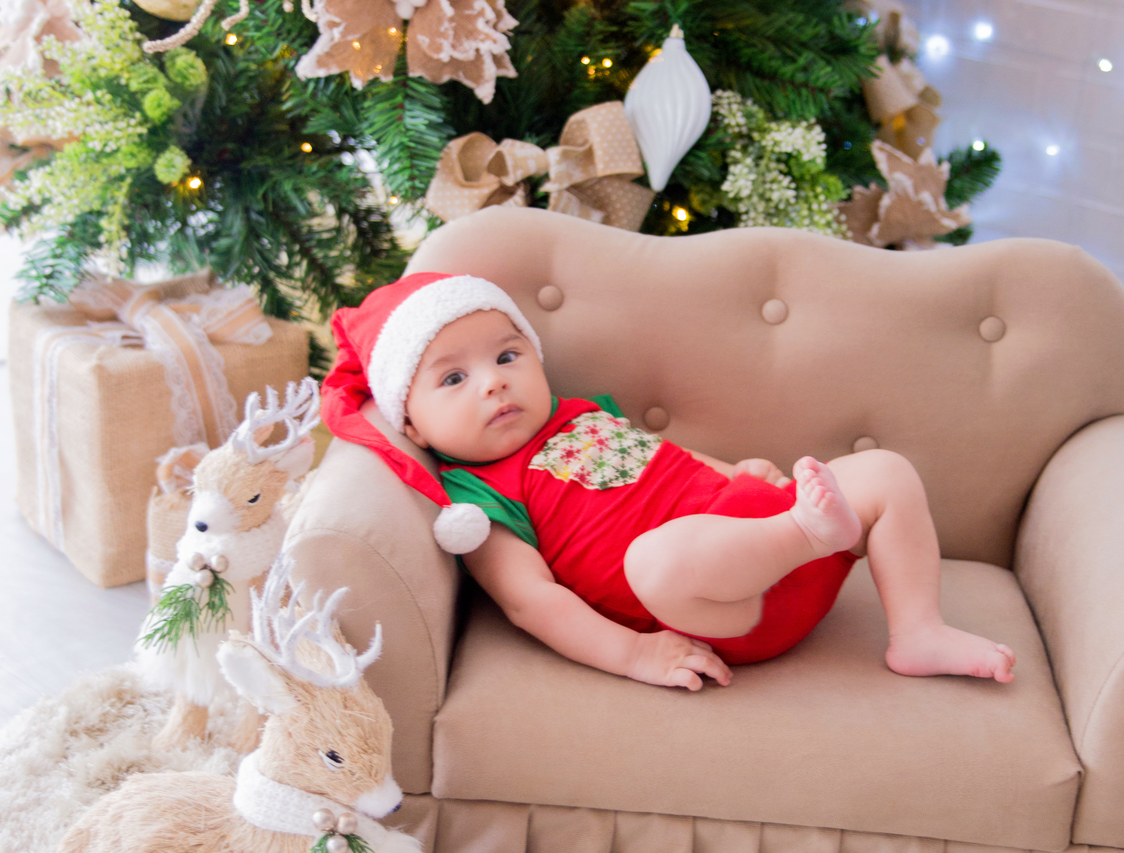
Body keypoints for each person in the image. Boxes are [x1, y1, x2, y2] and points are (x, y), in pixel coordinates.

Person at [322, 273, 1016, 693]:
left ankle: (918, 630)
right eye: (454, 378)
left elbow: (664, 459)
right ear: (411, 426)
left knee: (886, 472)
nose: (494, 381)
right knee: (656, 558)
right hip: (721, 606)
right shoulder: (477, 500)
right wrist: (634, 654)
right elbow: (532, 603)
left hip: (757, 532)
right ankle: (805, 531)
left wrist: (738, 472)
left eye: (507, 355)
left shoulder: (580, 412)